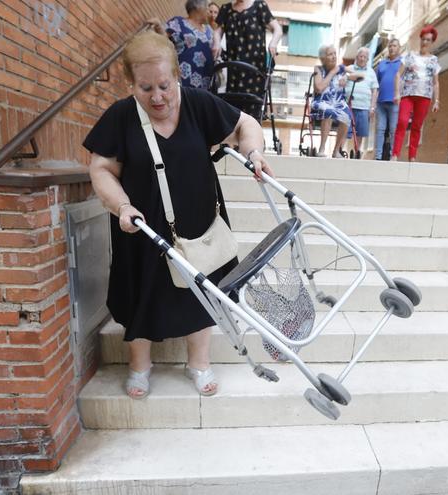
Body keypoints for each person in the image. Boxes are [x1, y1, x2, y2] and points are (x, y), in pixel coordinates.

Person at [83, 31, 274, 399]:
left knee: (202, 295)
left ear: (177, 75)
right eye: (145, 88)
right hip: (140, 227)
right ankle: (140, 366)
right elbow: (101, 168)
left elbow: (245, 125)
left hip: (198, 224)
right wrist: (122, 205)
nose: (157, 97)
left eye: (164, 86)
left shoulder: (199, 104)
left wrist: (253, 152)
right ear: (131, 84)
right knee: (141, 294)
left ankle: (199, 364)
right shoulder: (121, 116)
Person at [212, 0, 282, 98]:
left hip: (255, 68)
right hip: (234, 68)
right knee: (233, 103)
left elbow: (277, 29)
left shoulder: (259, 6)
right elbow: (217, 31)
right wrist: (216, 43)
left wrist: (273, 43)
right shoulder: (226, 9)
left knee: (253, 102)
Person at [391, 26, 441, 162]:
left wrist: (437, 101)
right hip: (407, 95)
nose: (425, 42)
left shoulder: (434, 60)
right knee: (402, 122)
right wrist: (396, 93)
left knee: (417, 126)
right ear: (420, 40)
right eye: (423, 39)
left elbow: (435, 82)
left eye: (428, 40)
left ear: (432, 42)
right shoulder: (410, 55)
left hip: (424, 97)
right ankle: (395, 154)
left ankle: (412, 156)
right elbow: (398, 74)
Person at [311, 44, 358, 158]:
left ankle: (336, 150)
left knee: (346, 116)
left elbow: (359, 75)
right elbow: (319, 88)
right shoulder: (318, 69)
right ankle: (322, 149)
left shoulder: (341, 68)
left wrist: (347, 77)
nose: (333, 57)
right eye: (330, 54)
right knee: (329, 111)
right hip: (322, 101)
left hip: (337, 102)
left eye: (334, 54)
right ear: (323, 58)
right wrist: (333, 72)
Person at [160, 0, 215, 89]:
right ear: (198, 7)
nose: (209, 11)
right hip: (182, 82)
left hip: (205, 87)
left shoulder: (210, 31)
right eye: (208, 6)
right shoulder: (179, 22)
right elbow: (161, 39)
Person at [346, 47, 379, 156]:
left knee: (360, 132)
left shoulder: (371, 72)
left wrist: (372, 107)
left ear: (367, 59)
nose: (362, 59)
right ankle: (339, 149)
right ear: (356, 57)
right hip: (349, 105)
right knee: (345, 130)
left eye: (365, 57)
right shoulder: (349, 69)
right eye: (360, 56)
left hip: (364, 107)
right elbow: (340, 83)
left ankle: (356, 151)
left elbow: (375, 91)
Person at [374, 38, 402, 160]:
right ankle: (378, 156)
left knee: (393, 130)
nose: (391, 48)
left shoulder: (402, 63)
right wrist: (373, 103)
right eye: (390, 46)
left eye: (394, 46)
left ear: (399, 48)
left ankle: (393, 156)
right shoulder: (381, 64)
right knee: (380, 129)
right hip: (381, 102)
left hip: (395, 102)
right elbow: (376, 84)